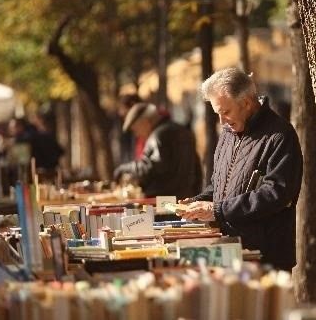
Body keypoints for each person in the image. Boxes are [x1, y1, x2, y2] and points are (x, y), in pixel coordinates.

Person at [179, 67, 303, 270]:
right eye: (218, 113)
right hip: (230, 249)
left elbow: (277, 194)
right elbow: (220, 184)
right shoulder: (228, 132)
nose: (221, 121)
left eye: (225, 112)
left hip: (265, 256)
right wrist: (197, 203)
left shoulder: (280, 135)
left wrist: (217, 210)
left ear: (246, 103)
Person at [113, 102, 202, 199]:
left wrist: (124, 168)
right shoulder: (184, 131)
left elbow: (150, 166)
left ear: (145, 122)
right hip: (186, 196)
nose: (137, 135)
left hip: (164, 200)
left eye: (136, 129)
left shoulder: (157, 136)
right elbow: (197, 168)